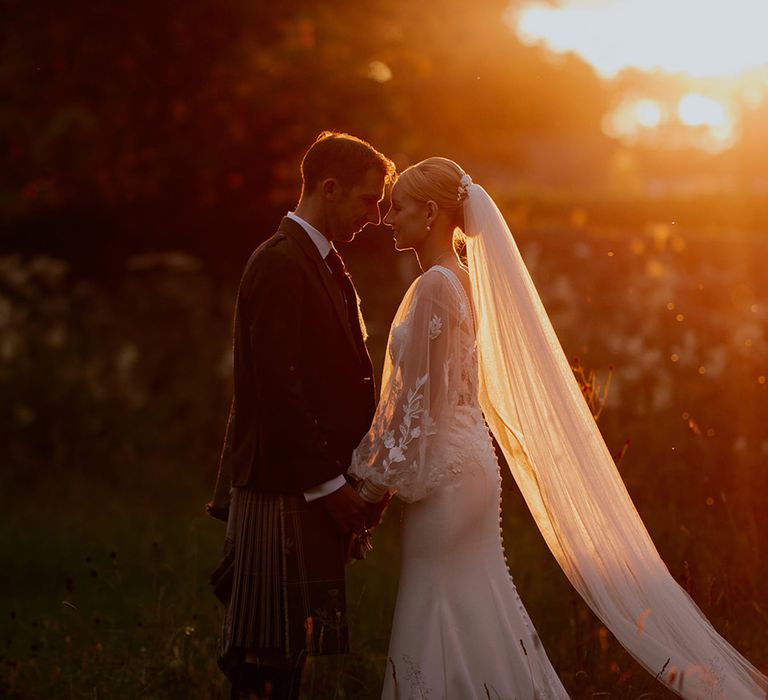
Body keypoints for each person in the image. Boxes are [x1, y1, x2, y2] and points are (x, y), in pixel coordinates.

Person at [349, 157, 768, 699]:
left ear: (430, 213)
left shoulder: (435, 285)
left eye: (398, 208)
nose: (388, 219)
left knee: (432, 602)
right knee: (477, 606)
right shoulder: (464, 281)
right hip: (470, 464)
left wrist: (368, 488)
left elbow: (418, 408)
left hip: (445, 477)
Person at [208, 131, 395, 700]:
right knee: (264, 658)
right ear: (330, 188)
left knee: (289, 655)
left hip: (305, 485)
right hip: (282, 487)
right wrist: (328, 483)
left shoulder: (321, 261)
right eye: (368, 199)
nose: (376, 215)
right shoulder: (281, 263)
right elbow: (275, 390)